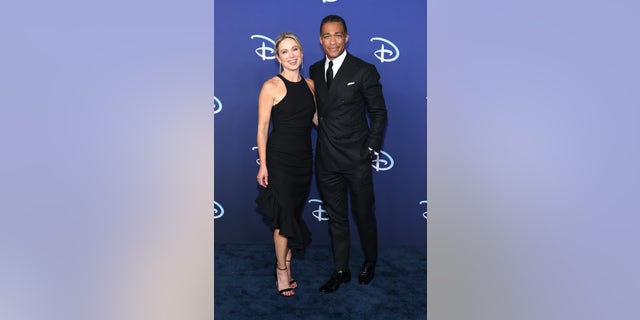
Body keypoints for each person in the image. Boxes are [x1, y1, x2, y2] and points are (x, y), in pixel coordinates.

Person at [309, 15, 388, 294]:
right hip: (327, 159)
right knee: (336, 218)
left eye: (338, 35)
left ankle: (370, 260)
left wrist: (371, 149)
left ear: (347, 37)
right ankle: (340, 269)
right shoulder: (315, 70)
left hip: (357, 158)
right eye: (327, 36)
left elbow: (378, 113)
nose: (333, 41)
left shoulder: (364, 70)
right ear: (320, 40)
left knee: (364, 214)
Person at [255, 32, 318, 297]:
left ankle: (288, 265)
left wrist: (344, 134)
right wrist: (263, 165)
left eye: (295, 50)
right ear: (277, 57)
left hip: (304, 160)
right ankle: (281, 271)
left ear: (302, 53)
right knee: (283, 219)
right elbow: (262, 128)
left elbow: (317, 119)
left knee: (291, 215)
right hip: (280, 161)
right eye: (284, 51)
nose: (291, 55)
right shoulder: (271, 85)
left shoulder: (311, 85)